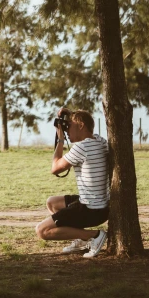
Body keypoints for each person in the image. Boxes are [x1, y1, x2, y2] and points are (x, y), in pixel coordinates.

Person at [35, 108, 109, 258]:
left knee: (42, 231)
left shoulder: (82, 148)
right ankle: (82, 237)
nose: (67, 129)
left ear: (81, 125)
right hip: (100, 205)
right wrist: (71, 113)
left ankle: (94, 236)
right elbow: (85, 120)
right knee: (52, 203)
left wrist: (60, 138)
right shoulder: (100, 141)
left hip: (91, 209)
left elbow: (55, 168)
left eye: (69, 126)